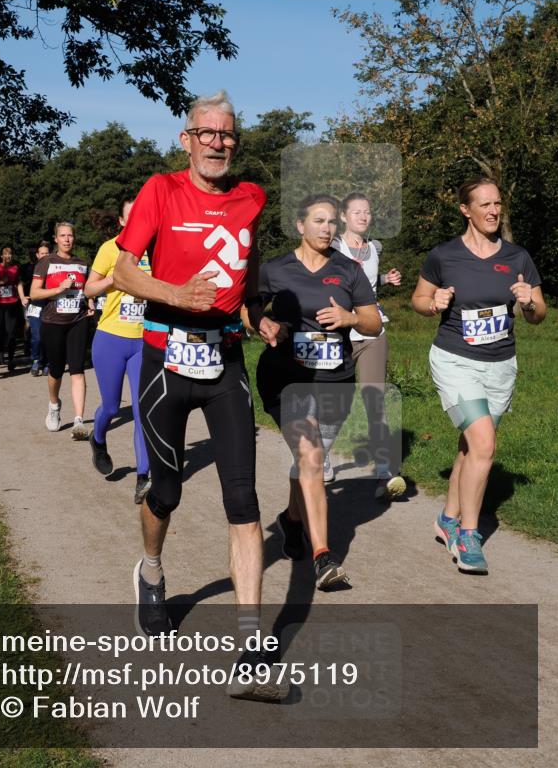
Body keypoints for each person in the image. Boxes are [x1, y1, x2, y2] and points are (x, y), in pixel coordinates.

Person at [114, 91, 286, 703]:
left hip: (225, 361)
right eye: (206, 133)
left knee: (243, 499)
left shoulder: (252, 198)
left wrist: (256, 313)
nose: (218, 142)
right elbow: (123, 271)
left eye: (227, 133)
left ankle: (251, 651)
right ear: (186, 139)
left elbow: (247, 265)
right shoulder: (160, 191)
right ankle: (151, 570)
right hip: (164, 358)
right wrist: (175, 293)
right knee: (166, 491)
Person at [412, 177, 546, 574]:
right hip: (455, 360)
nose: (493, 211)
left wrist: (528, 303)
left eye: (497, 203)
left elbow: (538, 315)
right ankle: (468, 535)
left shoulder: (518, 257)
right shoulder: (444, 255)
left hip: (501, 365)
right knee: (484, 444)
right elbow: (419, 299)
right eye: (484, 204)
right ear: (465, 210)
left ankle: (447, 518)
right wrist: (432, 303)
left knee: (471, 448)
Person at [250, 194, 381, 589]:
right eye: (319, 221)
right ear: (300, 225)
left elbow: (373, 322)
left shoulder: (348, 270)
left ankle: (291, 519)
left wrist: (349, 317)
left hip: (335, 381)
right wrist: (262, 324)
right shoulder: (276, 269)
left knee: (309, 459)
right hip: (286, 378)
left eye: (331, 223)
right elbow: (247, 305)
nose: (327, 229)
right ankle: (323, 555)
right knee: (311, 455)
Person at [332, 192, 406, 501]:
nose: (363, 216)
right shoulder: (332, 247)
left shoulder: (375, 248)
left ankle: (384, 471)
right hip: (339, 333)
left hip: (373, 330)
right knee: (335, 402)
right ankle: (323, 457)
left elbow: (367, 284)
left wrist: (385, 280)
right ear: (343, 216)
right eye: (357, 212)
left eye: (367, 212)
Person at [84, 198, 152, 504]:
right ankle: (97, 438)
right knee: (111, 408)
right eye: (132, 216)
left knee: (141, 412)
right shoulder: (109, 249)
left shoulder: (154, 251)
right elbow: (88, 289)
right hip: (110, 339)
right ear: (123, 222)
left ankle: (143, 477)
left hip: (143, 342)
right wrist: (115, 277)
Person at [30, 222, 92, 439]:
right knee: (56, 370)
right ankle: (54, 405)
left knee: (77, 369)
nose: (67, 239)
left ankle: (78, 421)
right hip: (53, 322)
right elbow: (34, 293)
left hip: (78, 321)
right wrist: (58, 288)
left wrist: (90, 303)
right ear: (55, 239)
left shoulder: (82, 263)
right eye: (63, 236)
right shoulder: (46, 262)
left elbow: (87, 290)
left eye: (70, 235)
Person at [0, 246, 28, 372]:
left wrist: (22, 298)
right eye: (5, 254)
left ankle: (11, 359)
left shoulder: (15, 268)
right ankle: (0, 350)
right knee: (0, 331)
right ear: (1, 256)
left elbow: (19, 284)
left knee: (11, 332)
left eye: (10, 254)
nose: (8, 256)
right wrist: (0, 283)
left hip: (12, 303)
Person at [23, 241, 51, 376]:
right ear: (37, 255)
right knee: (37, 337)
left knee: (48, 337)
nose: (44, 256)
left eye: (47, 253)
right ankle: (35, 360)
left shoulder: (54, 269)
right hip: (35, 306)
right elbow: (20, 282)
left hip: (49, 307)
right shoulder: (30, 268)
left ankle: (47, 363)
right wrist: (22, 297)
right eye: (42, 253)